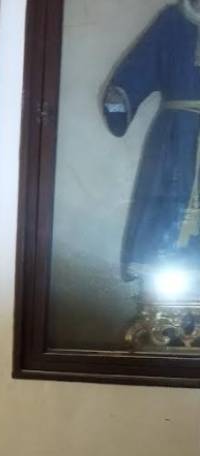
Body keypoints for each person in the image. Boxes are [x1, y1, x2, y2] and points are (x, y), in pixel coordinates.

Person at [103, 0, 200, 280]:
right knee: (167, 199)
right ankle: (162, 274)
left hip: (177, 131)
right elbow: (139, 67)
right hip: (176, 138)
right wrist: (119, 96)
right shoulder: (173, 20)